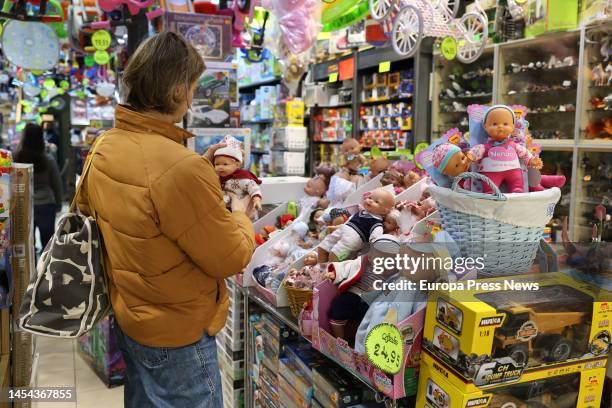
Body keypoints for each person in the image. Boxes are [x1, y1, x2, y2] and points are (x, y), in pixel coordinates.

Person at [76, 32, 255, 408]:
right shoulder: (180, 168)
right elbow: (230, 257)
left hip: (131, 315)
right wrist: (240, 214)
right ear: (177, 90)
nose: (193, 96)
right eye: (192, 86)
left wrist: (197, 175)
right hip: (179, 333)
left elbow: (98, 211)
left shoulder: (106, 144)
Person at [13, 123, 63, 250]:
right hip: (46, 204)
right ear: (41, 138)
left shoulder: (16, 158)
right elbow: (57, 184)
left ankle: (30, 269)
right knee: (48, 244)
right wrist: (59, 204)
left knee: (27, 245)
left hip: (23, 205)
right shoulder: (48, 160)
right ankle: (45, 269)